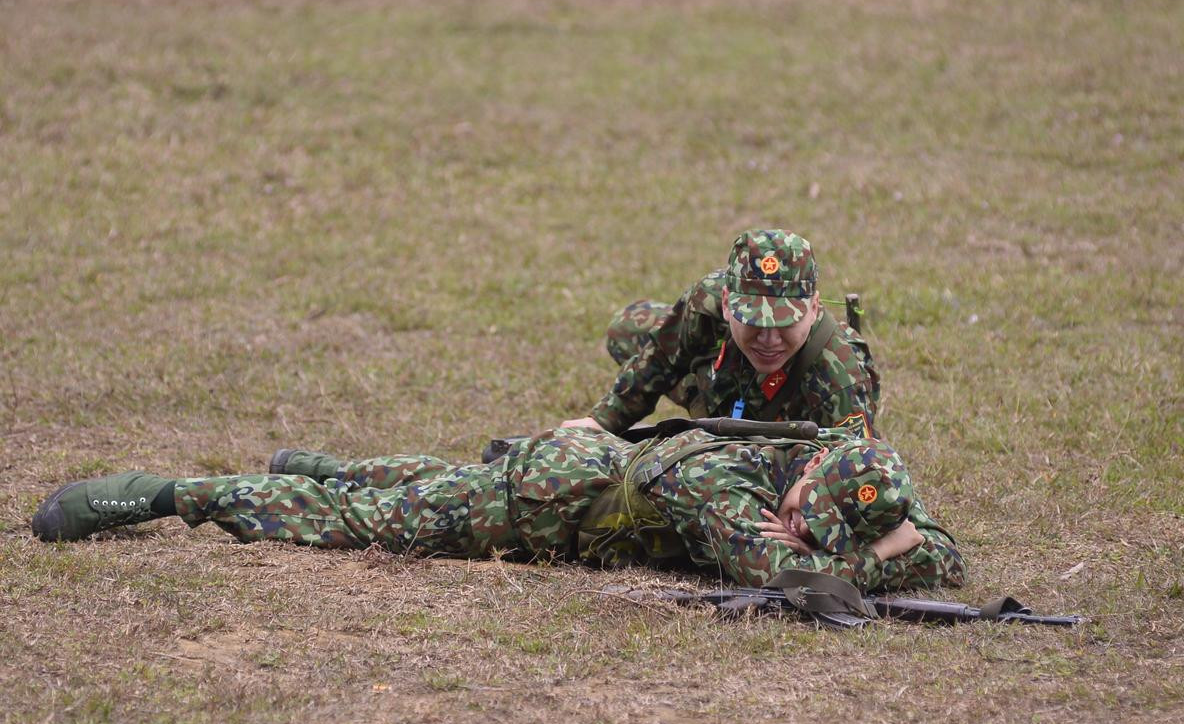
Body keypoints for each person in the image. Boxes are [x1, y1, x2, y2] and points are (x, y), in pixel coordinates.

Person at [31, 426, 963, 594]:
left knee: (416, 481)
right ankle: (157, 497)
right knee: (365, 524)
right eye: (809, 514)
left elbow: (942, 553)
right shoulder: (725, 489)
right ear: (808, 489)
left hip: (588, 470)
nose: (803, 526)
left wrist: (896, 543)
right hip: (536, 505)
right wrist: (886, 557)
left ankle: (325, 462)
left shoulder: (815, 460)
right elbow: (806, 585)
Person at [562, 229, 880, 436]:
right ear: (727, 303)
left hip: (787, 430)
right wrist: (601, 423)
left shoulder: (840, 377)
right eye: (753, 321)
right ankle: (714, 418)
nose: (769, 339)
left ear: (813, 309)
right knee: (626, 328)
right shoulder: (707, 300)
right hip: (726, 384)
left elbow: (858, 469)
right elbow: (659, 359)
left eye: (784, 324)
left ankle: (733, 432)